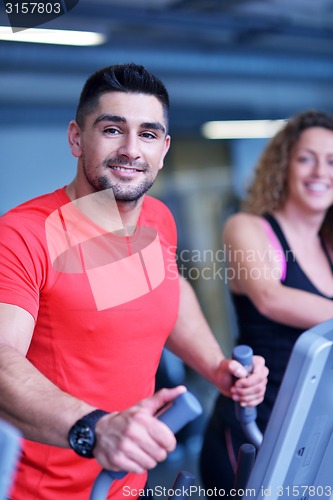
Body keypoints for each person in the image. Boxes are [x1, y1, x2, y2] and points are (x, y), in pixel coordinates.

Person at [0, 63, 268, 499]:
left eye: (146, 134)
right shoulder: (24, 235)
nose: (130, 149)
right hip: (42, 490)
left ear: (163, 149)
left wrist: (218, 369)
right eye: (111, 129)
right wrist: (95, 428)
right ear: (75, 137)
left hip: (129, 484)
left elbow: (168, 293)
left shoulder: (157, 220)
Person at [200, 109, 333, 491]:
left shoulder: (328, 245)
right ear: (284, 167)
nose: (320, 171)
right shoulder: (247, 227)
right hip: (253, 426)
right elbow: (269, 297)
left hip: (311, 429)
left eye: (331, 161)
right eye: (307, 158)